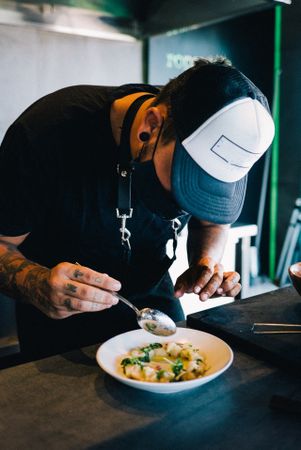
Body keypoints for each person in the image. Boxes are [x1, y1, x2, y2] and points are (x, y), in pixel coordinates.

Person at [0, 56, 274, 361]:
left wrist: (205, 261)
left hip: (155, 309)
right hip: (59, 315)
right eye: (187, 181)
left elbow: (213, 224)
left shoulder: (224, 143)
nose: (186, 204)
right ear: (151, 127)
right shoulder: (46, 133)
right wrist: (35, 282)